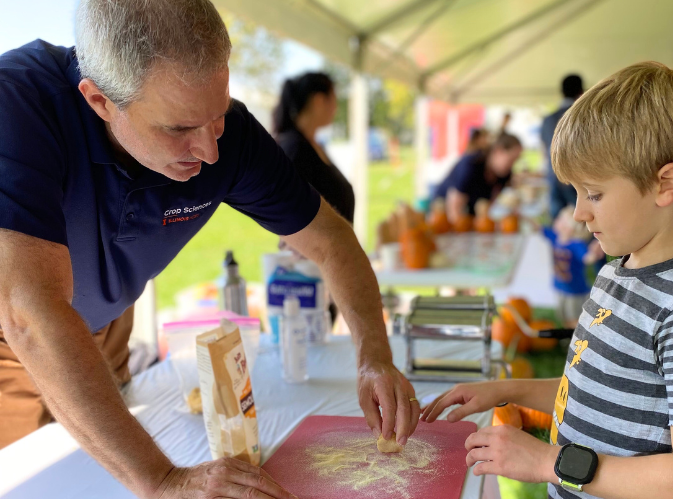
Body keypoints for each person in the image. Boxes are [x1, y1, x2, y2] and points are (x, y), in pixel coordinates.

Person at [0, 1, 420, 498]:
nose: (210, 151)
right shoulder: (17, 107)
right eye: (177, 129)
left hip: (105, 327)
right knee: (31, 480)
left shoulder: (230, 136)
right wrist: (162, 480)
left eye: (216, 117)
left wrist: (373, 355)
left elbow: (330, 241)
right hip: (13, 338)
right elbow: (29, 315)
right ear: (99, 102)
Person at [422, 62, 673, 499]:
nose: (579, 212)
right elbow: (596, 392)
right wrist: (504, 390)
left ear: (666, 184)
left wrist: (547, 462)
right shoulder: (617, 272)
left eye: (594, 193)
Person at [273, 72, 355, 225]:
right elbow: (289, 213)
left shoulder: (313, 145)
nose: (336, 107)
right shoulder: (295, 148)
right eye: (333, 99)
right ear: (318, 100)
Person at [433, 133, 522, 222]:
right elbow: (454, 208)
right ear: (498, 151)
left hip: (469, 216)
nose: (512, 165)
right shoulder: (471, 165)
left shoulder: (504, 175)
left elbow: (487, 206)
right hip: (443, 212)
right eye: (511, 160)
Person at [541, 207, 604, 328]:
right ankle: (566, 330)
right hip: (560, 286)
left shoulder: (576, 244)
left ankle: (575, 336)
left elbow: (587, 258)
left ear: (569, 228)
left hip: (575, 291)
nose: (557, 220)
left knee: (574, 317)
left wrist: (595, 251)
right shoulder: (555, 237)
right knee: (562, 313)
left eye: (561, 220)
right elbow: (539, 229)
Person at [542, 74, 584, 219]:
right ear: (581, 91)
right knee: (581, 225)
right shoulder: (584, 117)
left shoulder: (548, 120)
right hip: (578, 180)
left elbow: (544, 151)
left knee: (559, 226)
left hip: (554, 178)